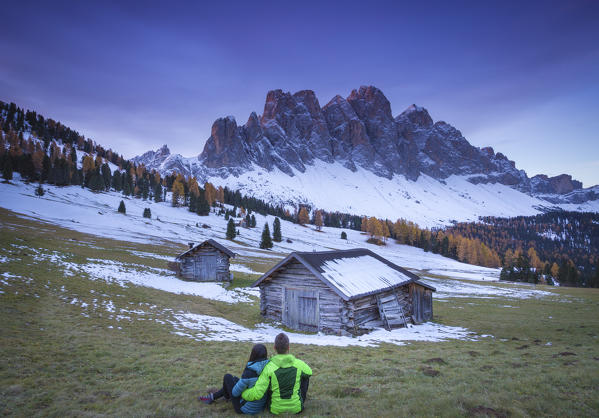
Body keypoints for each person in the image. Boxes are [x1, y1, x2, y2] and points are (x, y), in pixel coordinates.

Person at [242, 333, 312, 415]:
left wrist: (243, 393)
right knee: (305, 376)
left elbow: (258, 393)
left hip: (275, 410)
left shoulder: (269, 367)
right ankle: (298, 401)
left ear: (274, 348)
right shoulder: (298, 364)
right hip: (296, 409)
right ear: (288, 347)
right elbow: (309, 372)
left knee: (268, 382)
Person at [199, 343, 270, 414]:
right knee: (235, 379)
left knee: (228, 377)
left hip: (244, 408)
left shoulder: (250, 372)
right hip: (260, 406)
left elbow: (235, 393)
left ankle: (219, 396)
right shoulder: (268, 368)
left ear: (253, 355)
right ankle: (213, 397)